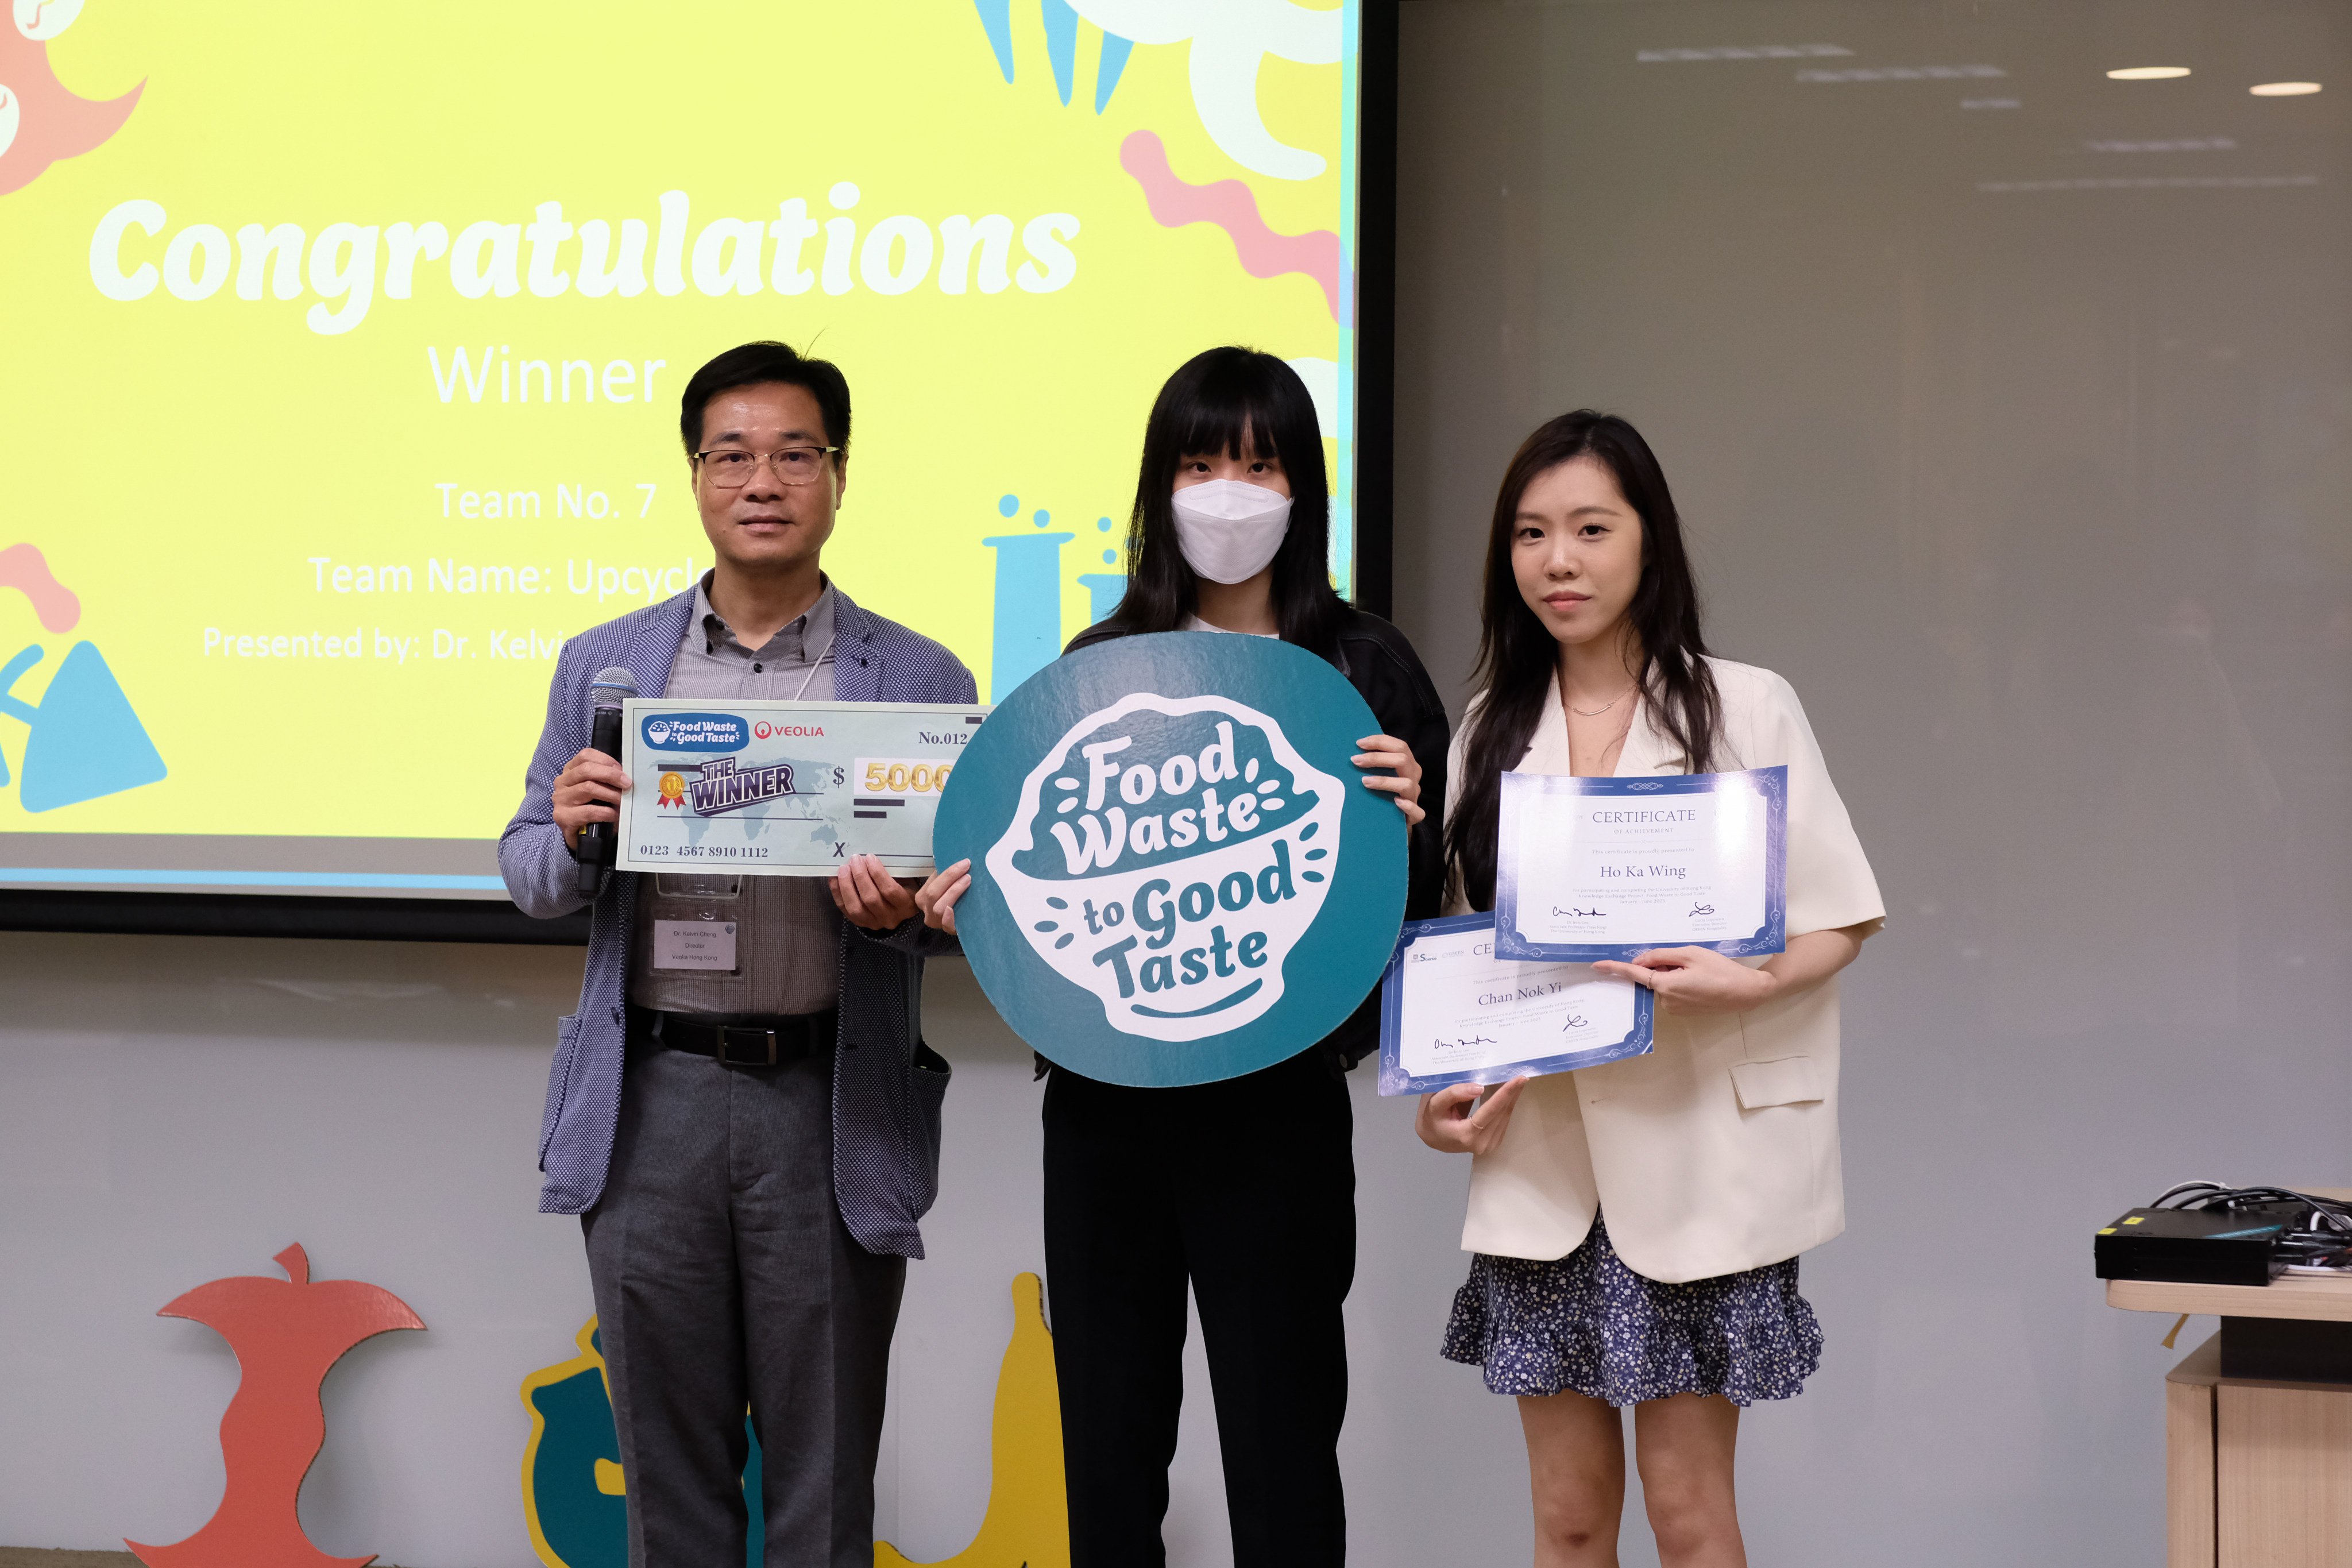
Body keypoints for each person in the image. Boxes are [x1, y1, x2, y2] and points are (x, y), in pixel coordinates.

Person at [917, 346, 1450, 1567]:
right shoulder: (1092, 672)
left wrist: (1412, 826)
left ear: (1302, 488)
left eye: (1258, 464)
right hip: (1107, 1118)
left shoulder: (1365, 672)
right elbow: (1028, 886)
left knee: (1282, 1458)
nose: (1226, 491)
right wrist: (970, 907)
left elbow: (1409, 921)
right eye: (1200, 462)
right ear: (1157, 487)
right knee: (1105, 1465)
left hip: (1277, 1118)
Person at [500, 341, 972, 1568]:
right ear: (696, 476)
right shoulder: (607, 667)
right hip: (650, 1099)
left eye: (793, 455)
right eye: (732, 455)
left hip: (825, 1103)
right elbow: (530, 877)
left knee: (824, 1474)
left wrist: (911, 916)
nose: (762, 480)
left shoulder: (919, 677)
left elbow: (968, 912)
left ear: (837, 476)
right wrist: (575, 830)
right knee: (669, 1467)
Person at [1416, 411, 1883, 1568]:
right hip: (1545, 1174)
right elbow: (1479, 961)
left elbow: (1842, 916)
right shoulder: (1487, 730)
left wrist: (1751, 979)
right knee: (1567, 1525)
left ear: (1646, 541)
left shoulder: (1743, 706)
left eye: (1587, 527)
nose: (1557, 561)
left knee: (1688, 1518)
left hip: (1696, 1168)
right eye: (1530, 534)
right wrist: (1444, 1092)